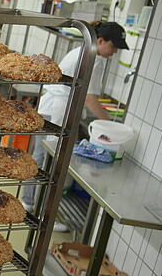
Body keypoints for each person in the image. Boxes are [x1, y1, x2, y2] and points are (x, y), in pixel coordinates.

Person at [23, 21, 129, 227]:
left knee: (40, 159)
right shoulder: (93, 59)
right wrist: (111, 125)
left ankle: (28, 204)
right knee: (52, 165)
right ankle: (42, 216)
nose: (114, 52)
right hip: (59, 112)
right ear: (100, 41)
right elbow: (90, 98)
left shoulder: (79, 51)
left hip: (50, 107)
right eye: (113, 47)